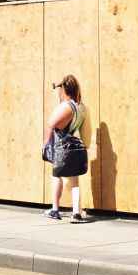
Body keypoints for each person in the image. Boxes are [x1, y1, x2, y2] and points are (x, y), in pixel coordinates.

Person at [42, 75, 91, 222]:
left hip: (60, 146)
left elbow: (51, 125)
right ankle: (76, 212)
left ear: (64, 88)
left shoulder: (66, 106)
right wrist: (85, 145)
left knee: (57, 175)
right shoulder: (82, 107)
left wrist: (46, 144)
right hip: (74, 146)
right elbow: (86, 129)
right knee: (74, 179)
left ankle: (55, 210)